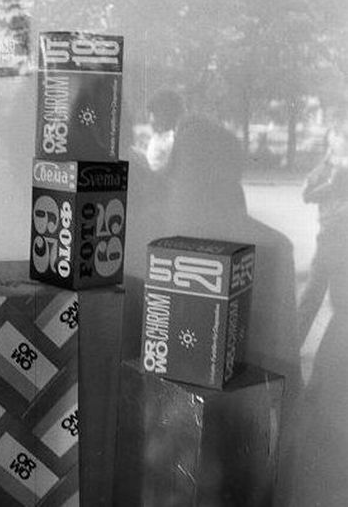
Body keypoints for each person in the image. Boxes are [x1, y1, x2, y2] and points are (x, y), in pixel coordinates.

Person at [122, 87, 302, 506]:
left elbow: (287, 365)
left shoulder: (150, 235)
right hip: (173, 424)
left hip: (228, 425)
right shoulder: (148, 235)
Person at [292, 107, 348, 506]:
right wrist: (332, 180)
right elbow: (307, 193)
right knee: (310, 299)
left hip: (343, 242)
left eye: (342, 138)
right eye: (336, 137)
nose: (339, 143)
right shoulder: (326, 168)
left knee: (338, 304)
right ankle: (291, 346)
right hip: (326, 241)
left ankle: (329, 372)